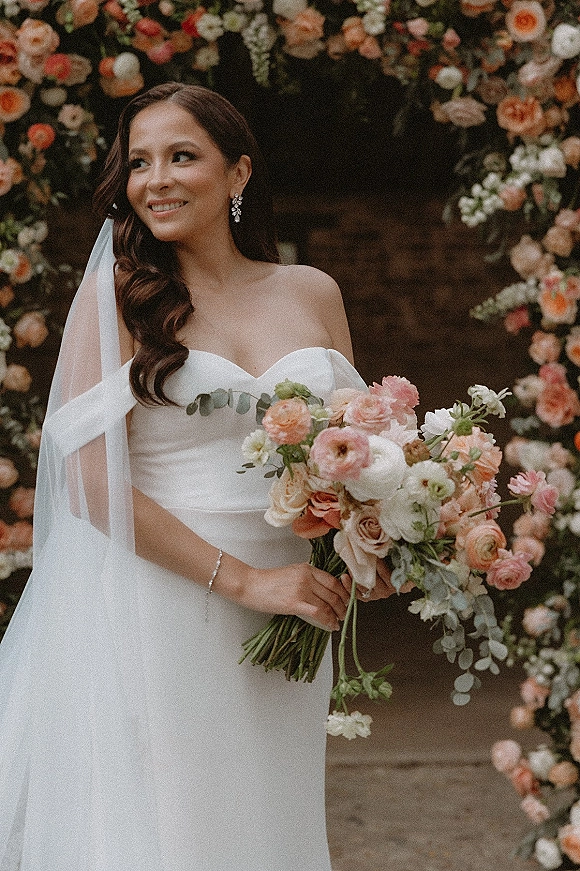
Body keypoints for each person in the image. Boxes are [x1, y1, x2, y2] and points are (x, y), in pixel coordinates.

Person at [0, 82, 392, 870]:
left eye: (183, 156)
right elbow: (88, 480)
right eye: (139, 162)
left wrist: (376, 540)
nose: (157, 179)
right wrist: (245, 581)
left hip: (294, 605)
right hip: (164, 599)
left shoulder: (311, 292)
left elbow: (362, 444)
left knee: (266, 821)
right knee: (177, 832)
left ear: (238, 174)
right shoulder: (123, 299)